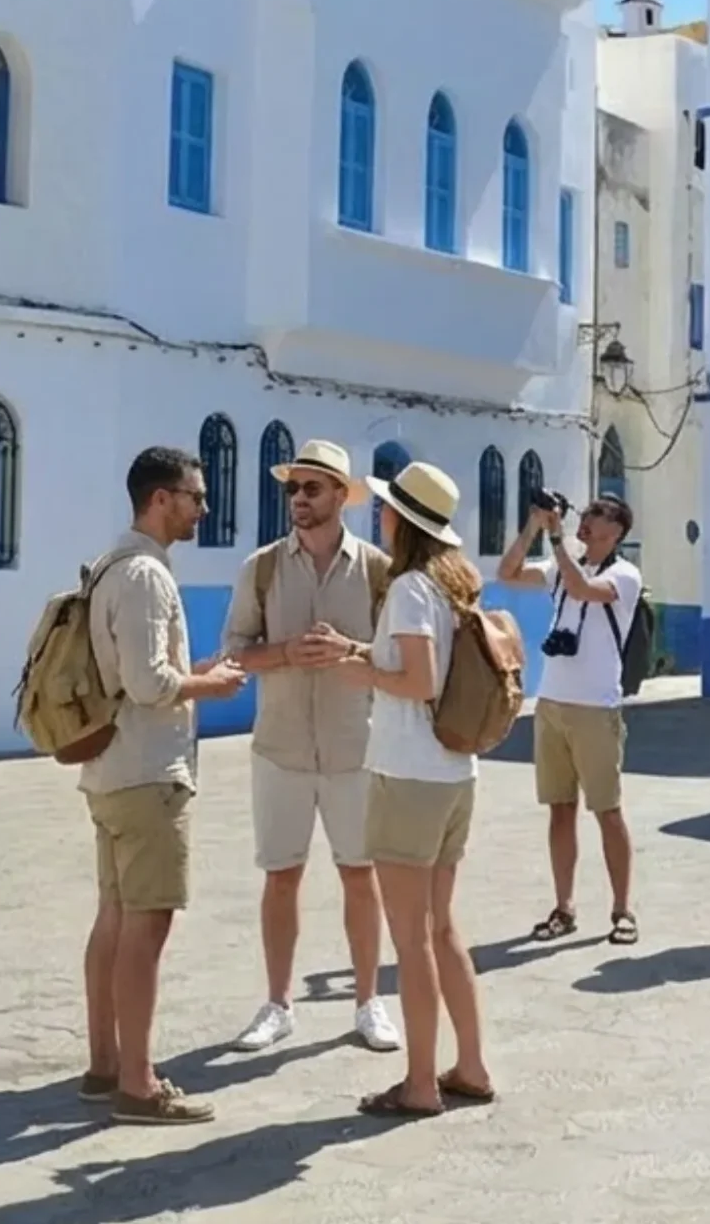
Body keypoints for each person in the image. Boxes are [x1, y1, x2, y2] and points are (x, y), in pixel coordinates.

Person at [78, 448, 249, 1125]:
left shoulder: (108, 568)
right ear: (159, 498)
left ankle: (104, 1064)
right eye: (195, 496)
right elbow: (150, 685)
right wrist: (213, 683)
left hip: (112, 770)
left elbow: (136, 672)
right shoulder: (146, 574)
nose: (202, 508)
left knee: (114, 918)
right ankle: (139, 1083)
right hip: (149, 773)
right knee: (147, 927)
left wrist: (196, 668)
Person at [218, 439, 401, 1056]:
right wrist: (287, 654)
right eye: (292, 488)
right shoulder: (262, 568)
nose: (298, 498)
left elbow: (402, 660)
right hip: (281, 748)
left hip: (357, 748)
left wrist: (349, 651)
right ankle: (277, 1005)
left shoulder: (379, 571)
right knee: (281, 877)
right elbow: (235, 654)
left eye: (311, 488)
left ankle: (368, 1002)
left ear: (342, 497)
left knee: (360, 874)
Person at [354, 460, 495, 1119]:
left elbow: (419, 680)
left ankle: (417, 1083)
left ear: (402, 521)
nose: (378, 516)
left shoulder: (411, 587)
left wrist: (358, 664)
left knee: (411, 939)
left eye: (385, 508)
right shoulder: (454, 584)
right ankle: (469, 1064)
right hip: (453, 774)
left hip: (409, 773)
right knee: (442, 929)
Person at [497, 493, 644, 946]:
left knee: (607, 810)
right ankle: (564, 907)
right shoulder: (563, 562)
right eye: (581, 519)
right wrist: (533, 525)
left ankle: (622, 909)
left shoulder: (625, 574)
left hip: (596, 708)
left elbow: (583, 589)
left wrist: (558, 537)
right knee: (560, 810)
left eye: (593, 521)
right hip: (552, 703)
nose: (582, 526)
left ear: (616, 531)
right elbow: (508, 573)